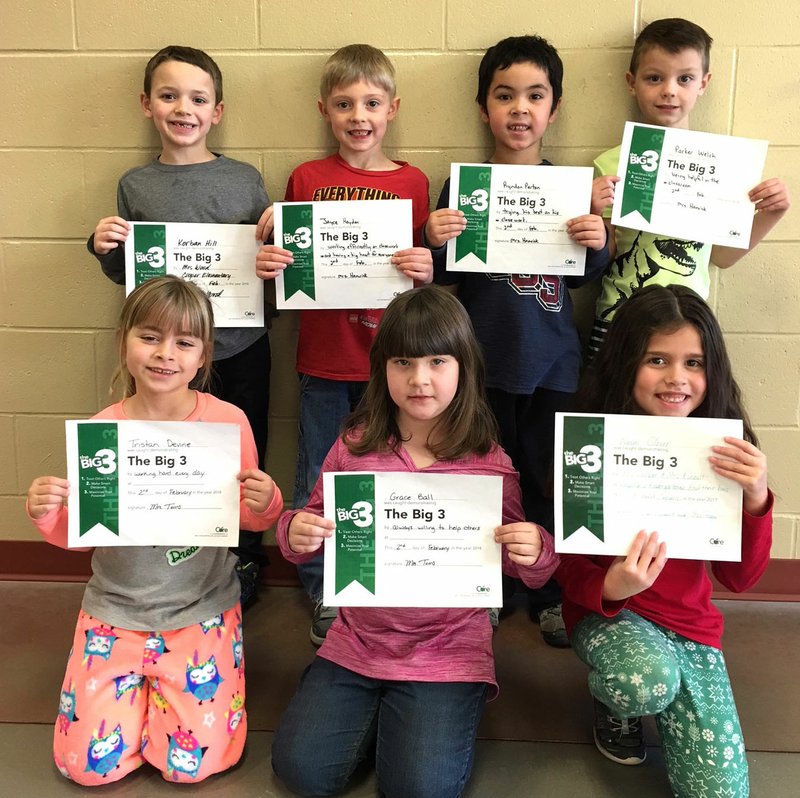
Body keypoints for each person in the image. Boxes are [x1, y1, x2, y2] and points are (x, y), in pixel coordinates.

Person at [271, 285, 558, 798]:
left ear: (463, 367)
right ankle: (381, 709)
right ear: (382, 368)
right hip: (358, 638)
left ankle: (424, 711)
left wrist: (534, 550)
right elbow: (302, 530)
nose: (420, 379)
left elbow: (532, 573)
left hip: (447, 649)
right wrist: (296, 532)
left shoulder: (489, 462)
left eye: (437, 361)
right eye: (403, 361)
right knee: (302, 772)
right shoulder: (353, 447)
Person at [27, 277, 283, 786]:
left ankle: (159, 704)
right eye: (150, 337)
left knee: (191, 767)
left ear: (203, 355)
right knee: (86, 767)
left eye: (184, 343)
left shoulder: (228, 423)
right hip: (115, 611)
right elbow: (81, 533)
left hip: (200, 610)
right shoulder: (104, 429)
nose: (165, 354)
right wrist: (49, 512)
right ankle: (135, 701)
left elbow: (248, 521)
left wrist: (267, 502)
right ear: (124, 341)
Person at [556, 284, 772, 798]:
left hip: (690, 625)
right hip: (616, 617)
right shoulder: (589, 441)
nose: (677, 378)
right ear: (628, 362)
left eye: (693, 362)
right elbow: (565, 563)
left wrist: (756, 500)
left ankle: (662, 688)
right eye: (658, 359)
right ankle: (617, 704)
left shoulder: (724, 445)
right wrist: (610, 589)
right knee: (643, 679)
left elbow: (740, 580)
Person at [425, 35, 610, 646]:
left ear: (554, 110)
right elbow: (444, 273)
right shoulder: (464, 189)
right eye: (505, 96)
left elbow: (589, 274)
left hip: (552, 365)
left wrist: (596, 237)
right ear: (484, 109)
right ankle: (490, 586)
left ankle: (550, 589)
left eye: (535, 96)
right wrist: (434, 235)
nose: (520, 109)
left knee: (545, 478)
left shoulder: (571, 189)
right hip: (480, 367)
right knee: (482, 479)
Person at [255, 44, 433, 644]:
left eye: (372, 103)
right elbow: (290, 270)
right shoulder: (306, 179)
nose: (359, 116)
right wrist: (277, 257)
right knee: (319, 476)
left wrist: (425, 264)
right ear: (325, 110)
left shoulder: (413, 181)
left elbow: (420, 271)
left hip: (394, 366)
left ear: (393, 108)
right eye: (344, 104)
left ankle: (384, 575)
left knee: (391, 474)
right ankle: (325, 589)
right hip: (324, 360)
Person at [87, 45, 274, 606]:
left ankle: (244, 559)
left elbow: (262, 261)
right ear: (147, 104)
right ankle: (175, 560)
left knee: (241, 451)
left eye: (197, 98)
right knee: (168, 450)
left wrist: (272, 261)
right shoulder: (135, 185)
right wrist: (104, 250)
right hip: (166, 357)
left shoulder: (244, 178)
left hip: (239, 345)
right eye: (168, 96)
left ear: (218, 110)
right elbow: (130, 275)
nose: (183, 108)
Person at [589, 18, 790, 355]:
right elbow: (606, 253)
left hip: (687, 325)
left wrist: (772, 214)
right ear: (632, 82)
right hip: (617, 318)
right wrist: (595, 211)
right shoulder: (611, 163)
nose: (669, 90)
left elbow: (721, 257)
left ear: (704, 83)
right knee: (607, 404)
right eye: (655, 78)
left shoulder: (722, 166)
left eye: (685, 79)